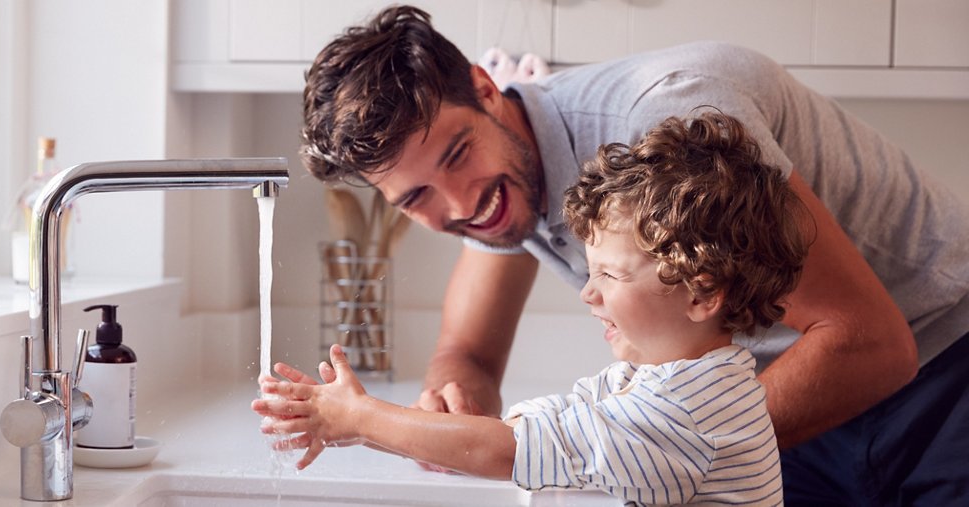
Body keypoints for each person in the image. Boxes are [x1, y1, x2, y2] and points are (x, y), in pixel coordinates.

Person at [297, 5, 969, 505]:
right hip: (785, 391)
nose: (461, 205)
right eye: (417, 197)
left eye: (456, 153)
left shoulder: (665, 128)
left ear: (484, 88)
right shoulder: (496, 186)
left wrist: (643, 446)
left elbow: (871, 343)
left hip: (940, 365)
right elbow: (468, 351)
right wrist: (456, 396)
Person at [255, 112, 802, 505]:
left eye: (608, 275)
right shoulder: (661, 381)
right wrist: (359, 430)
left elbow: (513, 450)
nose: (588, 294)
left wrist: (363, 414)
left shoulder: (686, 415)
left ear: (703, 295)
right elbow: (543, 425)